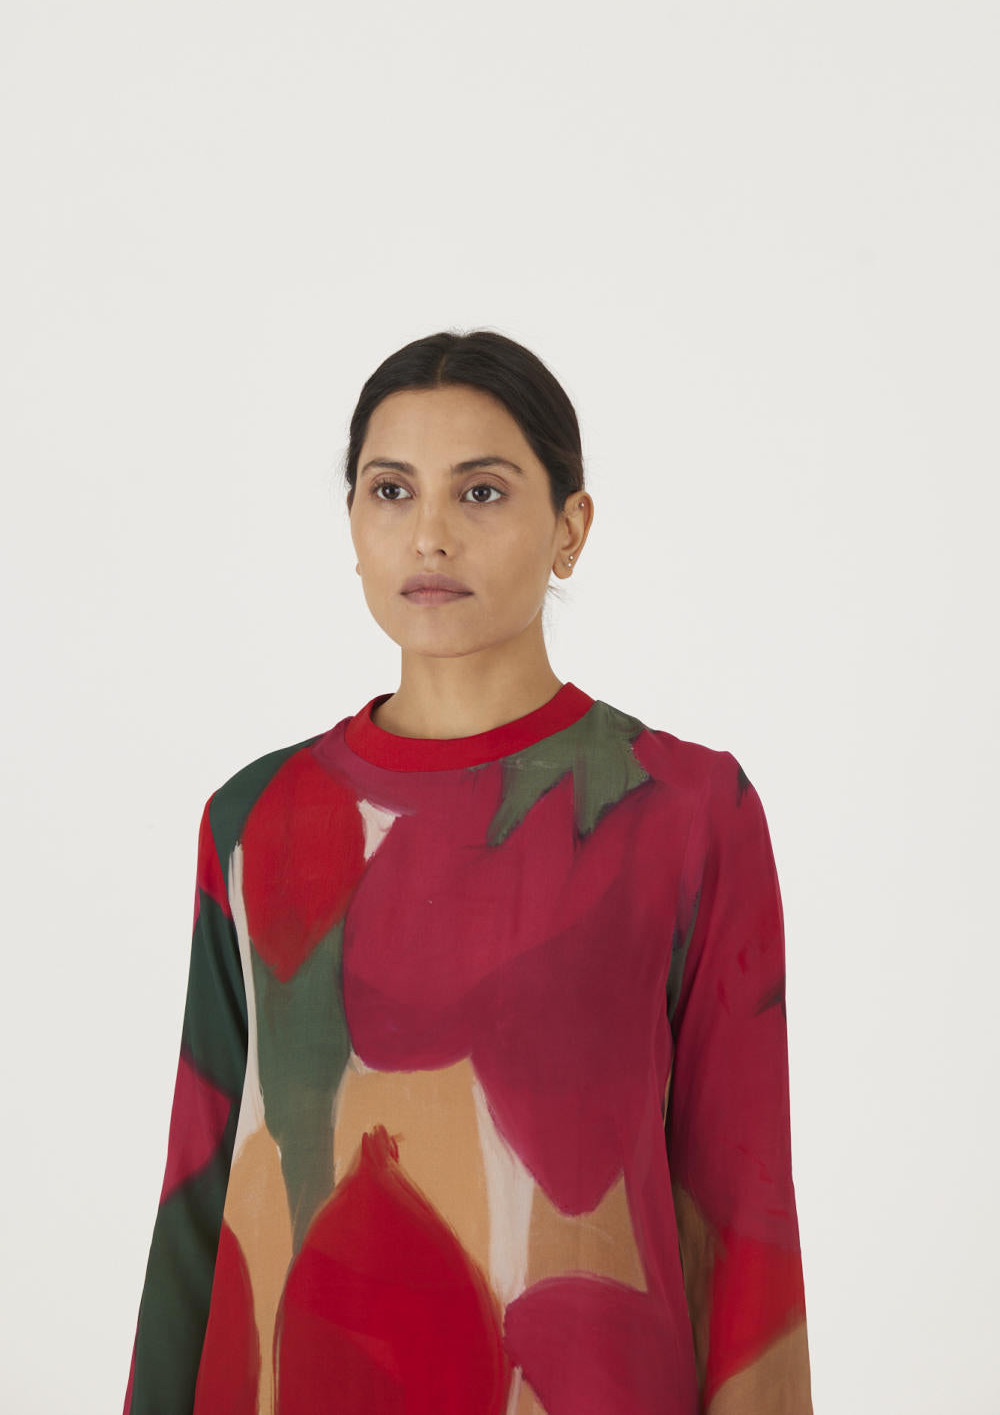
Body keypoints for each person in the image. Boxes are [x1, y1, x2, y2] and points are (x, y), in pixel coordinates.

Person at [122, 328, 813, 1415]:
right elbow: (196, 1202)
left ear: (570, 528)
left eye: (481, 492)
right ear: (353, 524)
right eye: (391, 490)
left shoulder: (685, 812)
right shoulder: (259, 820)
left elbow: (740, 1216)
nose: (430, 533)